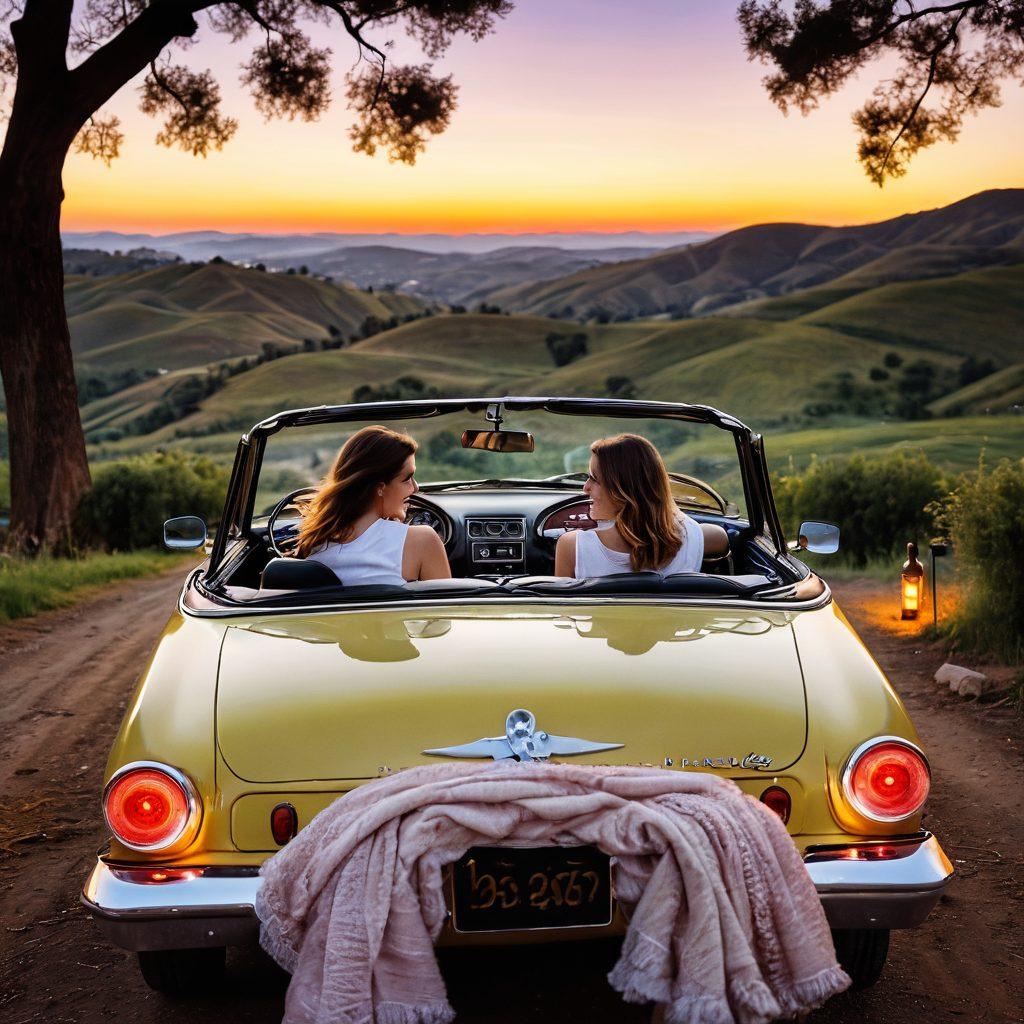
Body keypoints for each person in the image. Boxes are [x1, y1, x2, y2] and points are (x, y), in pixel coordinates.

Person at [294, 425, 451, 585]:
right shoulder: (422, 541)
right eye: (407, 479)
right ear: (380, 488)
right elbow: (450, 609)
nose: (415, 487)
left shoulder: (312, 549)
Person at [554, 433, 704, 579]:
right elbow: (720, 536)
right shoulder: (692, 534)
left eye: (594, 479)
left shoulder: (573, 547)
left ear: (622, 491)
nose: (585, 488)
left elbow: (557, 604)